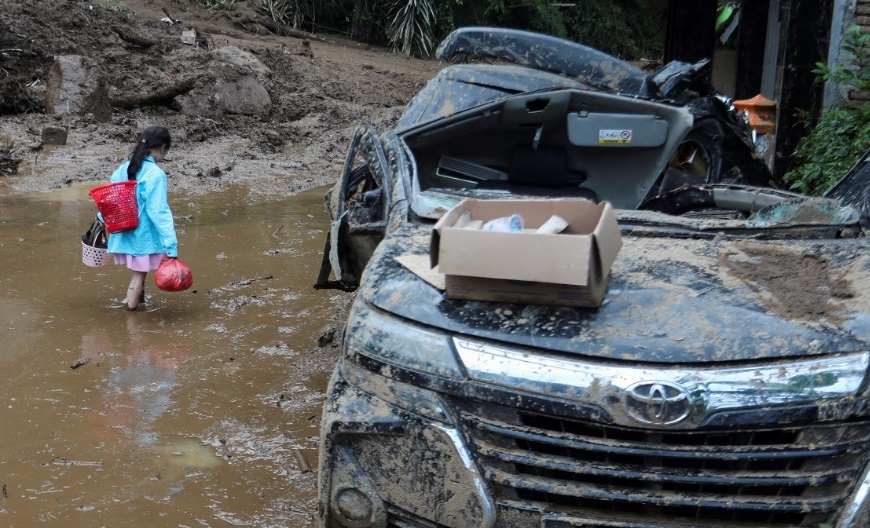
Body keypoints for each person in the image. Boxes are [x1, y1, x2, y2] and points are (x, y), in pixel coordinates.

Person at [107, 126, 178, 311]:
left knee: (141, 272)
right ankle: (131, 315)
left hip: (125, 232)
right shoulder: (155, 174)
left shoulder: (124, 168)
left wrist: (101, 219)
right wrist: (171, 244)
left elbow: (110, 199)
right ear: (163, 148)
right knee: (138, 275)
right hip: (143, 236)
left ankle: (139, 303)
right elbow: (158, 211)